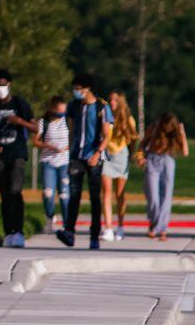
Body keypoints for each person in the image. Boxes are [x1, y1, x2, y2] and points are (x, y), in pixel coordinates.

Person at [0, 69, 36, 248]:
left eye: (2, 85)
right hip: (0, 155)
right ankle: (8, 232)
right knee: (4, 194)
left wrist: (19, 121)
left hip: (17, 153)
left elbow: (35, 128)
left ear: (9, 85)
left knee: (15, 191)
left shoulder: (20, 104)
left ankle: (18, 231)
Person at [57, 74, 113, 250]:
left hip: (94, 157)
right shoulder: (73, 106)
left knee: (94, 197)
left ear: (87, 88)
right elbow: (72, 130)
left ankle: (94, 235)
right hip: (76, 156)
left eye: (79, 88)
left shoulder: (101, 107)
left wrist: (97, 153)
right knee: (74, 195)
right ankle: (69, 232)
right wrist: (69, 150)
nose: (76, 92)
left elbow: (107, 135)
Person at [136, 113, 189, 241]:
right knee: (153, 196)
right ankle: (154, 224)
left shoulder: (175, 131)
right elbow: (142, 144)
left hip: (168, 161)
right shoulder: (154, 128)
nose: (166, 128)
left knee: (166, 196)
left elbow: (185, 152)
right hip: (152, 159)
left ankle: (162, 228)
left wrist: (182, 133)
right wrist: (140, 156)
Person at [101, 91, 138, 242]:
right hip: (107, 155)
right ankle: (108, 228)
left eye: (115, 100)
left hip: (122, 155)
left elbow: (134, 138)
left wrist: (132, 154)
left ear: (120, 102)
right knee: (106, 194)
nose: (112, 103)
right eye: (110, 100)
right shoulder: (105, 117)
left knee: (119, 194)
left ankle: (120, 226)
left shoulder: (128, 119)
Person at [32, 96, 70, 234]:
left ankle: (67, 224)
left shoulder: (68, 122)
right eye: (59, 110)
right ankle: (50, 217)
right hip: (48, 161)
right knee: (48, 192)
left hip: (65, 162)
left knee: (64, 194)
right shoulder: (44, 123)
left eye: (63, 111)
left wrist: (67, 147)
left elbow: (75, 138)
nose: (61, 113)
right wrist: (48, 145)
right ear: (52, 109)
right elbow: (35, 142)